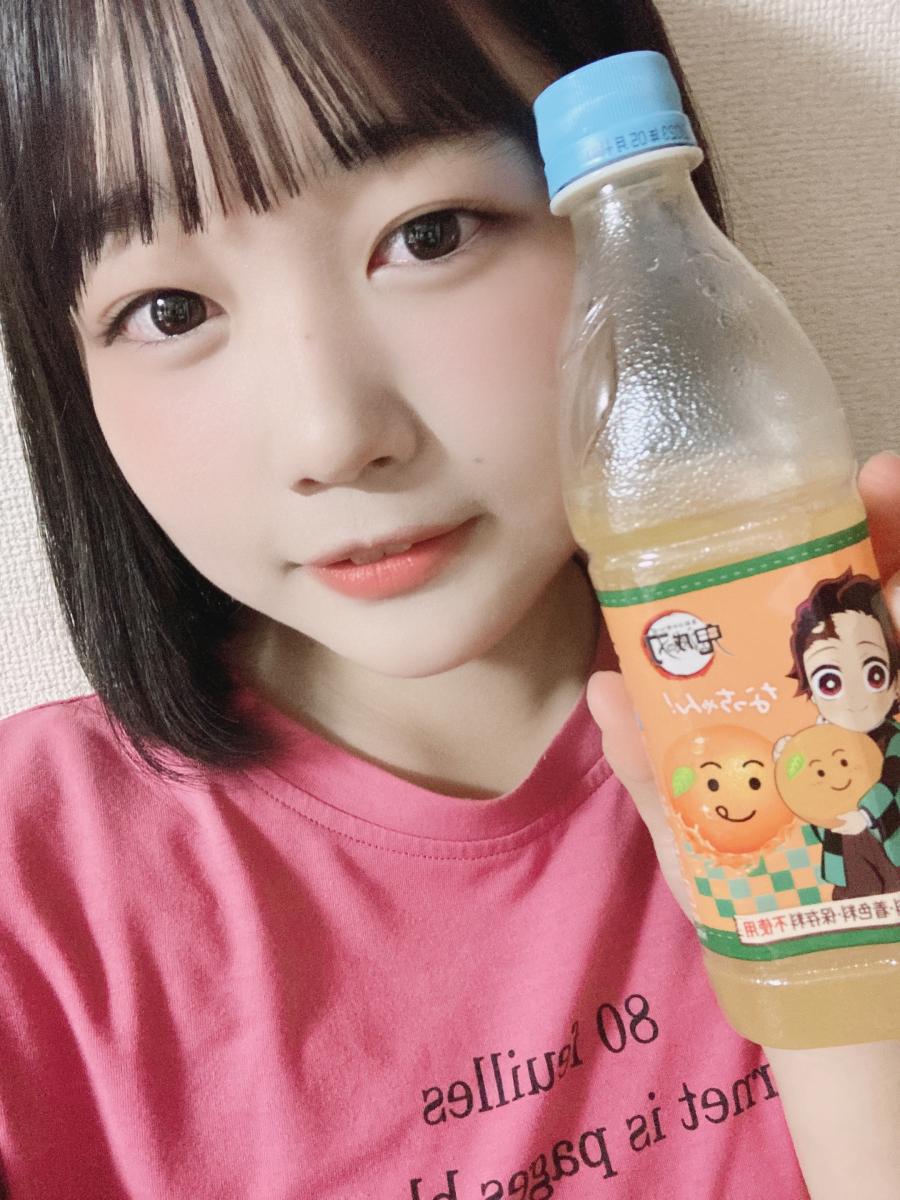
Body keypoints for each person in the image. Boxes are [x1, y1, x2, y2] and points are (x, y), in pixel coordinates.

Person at [0, 2, 896, 1197]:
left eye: (429, 235)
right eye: (169, 312)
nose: (332, 436)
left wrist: (843, 949)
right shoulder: (34, 893)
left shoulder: (842, 709)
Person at [785, 570, 900, 897]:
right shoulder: (821, 744)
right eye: (830, 683)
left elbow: (892, 780)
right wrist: (793, 767)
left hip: (892, 849)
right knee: (853, 895)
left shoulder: (894, 741)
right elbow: (813, 806)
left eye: (874, 675)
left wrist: (866, 815)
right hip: (849, 864)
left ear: (895, 682)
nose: (854, 699)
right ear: (812, 694)